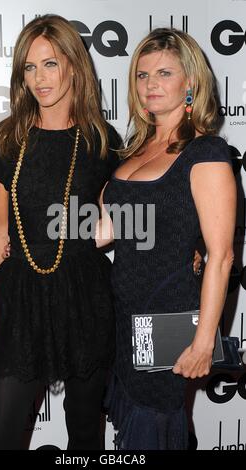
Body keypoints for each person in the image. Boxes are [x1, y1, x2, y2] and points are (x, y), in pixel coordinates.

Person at [0, 14, 122, 450]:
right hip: (21, 295)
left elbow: (112, 224)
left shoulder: (101, 141)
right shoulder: (7, 138)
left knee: (84, 433)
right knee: (0, 434)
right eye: (29, 67)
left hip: (85, 297)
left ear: (74, 66)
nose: (39, 78)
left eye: (50, 64)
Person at [96, 28, 236, 450]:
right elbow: (101, 231)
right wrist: (34, 234)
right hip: (122, 319)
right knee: (131, 430)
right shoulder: (135, 149)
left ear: (190, 83)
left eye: (164, 73)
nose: (150, 85)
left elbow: (222, 256)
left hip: (167, 321)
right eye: (141, 75)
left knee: (152, 428)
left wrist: (203, 343)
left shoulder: (206, 153)